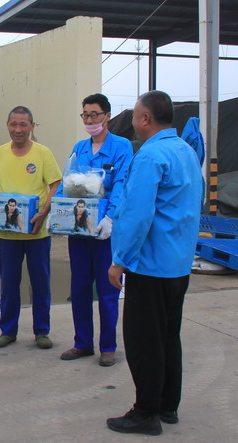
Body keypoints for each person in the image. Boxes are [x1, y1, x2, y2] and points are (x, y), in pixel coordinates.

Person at [106, 91, 203, 435]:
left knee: (144, 341)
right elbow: (193, 204)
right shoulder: (186, 151)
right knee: (167, 336)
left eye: (134, 115)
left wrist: (120, 260)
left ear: (145, 118)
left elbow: (137, 214)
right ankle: (166, 405)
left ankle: (145, 413)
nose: (132, 121)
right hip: (178, 263)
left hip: (150, 266)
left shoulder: (149, 156)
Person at [57, 93, 134, 367]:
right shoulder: (79, 148)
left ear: (107, 116)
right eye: (85, 115)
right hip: (79, 230)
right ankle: (82, 343)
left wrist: (110, 217)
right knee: (79, 287)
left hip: (105, 233)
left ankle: (108, 347)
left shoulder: (121, 147)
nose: (89, 120)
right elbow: (66, 183)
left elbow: (122, 183)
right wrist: (57, 210)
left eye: (94, 115)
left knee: (107, 289)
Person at [0, 106, 62, 350]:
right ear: (7, 125)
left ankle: (42, 331)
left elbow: (56, 184)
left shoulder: (43, 153)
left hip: (37, 232)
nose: (18, 129)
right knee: (9, 283)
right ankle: (8, 330)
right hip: (7, 233)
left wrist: (44, 213)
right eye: (13, 124)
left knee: (40, 283)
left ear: (32, 126)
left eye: (23, 124)